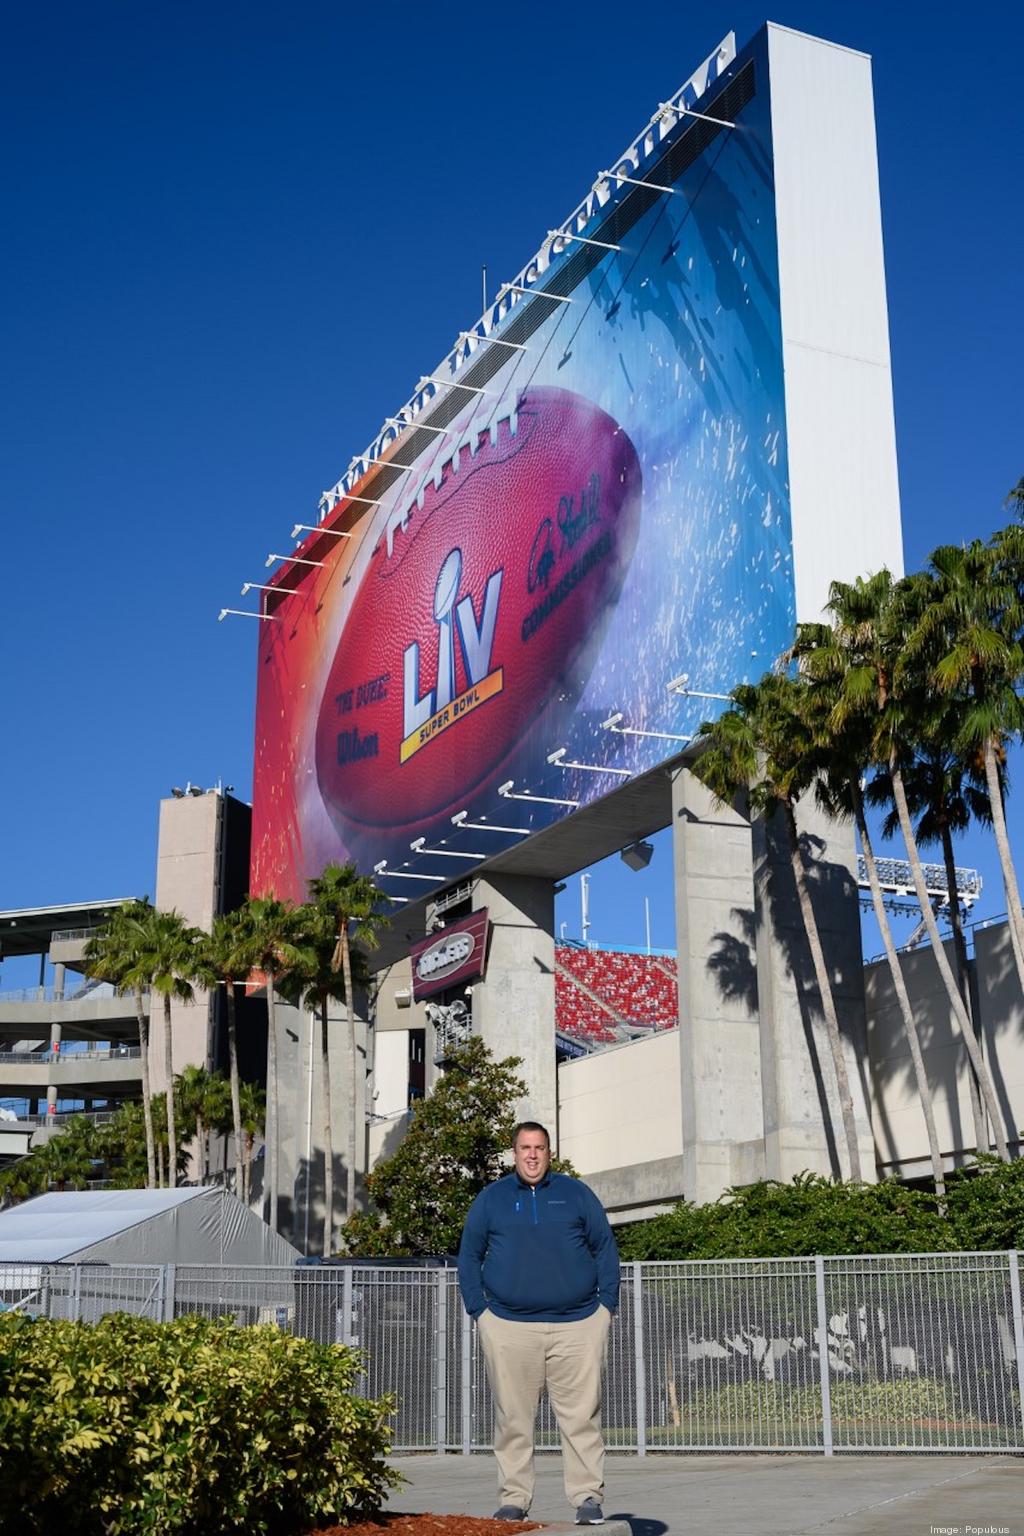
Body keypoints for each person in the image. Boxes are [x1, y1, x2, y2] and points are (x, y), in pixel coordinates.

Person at [457, 1120, 620, 1526]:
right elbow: (468, 1256)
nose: (532, 1155)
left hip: (579, 1325)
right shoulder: (491, 1200)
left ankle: (587, 1498)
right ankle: (514, 1499)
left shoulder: (576, 1194)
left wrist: (606, 1309)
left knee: (581, 1417)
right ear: (514, 1153)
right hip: (509, 1327)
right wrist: (480, 1311)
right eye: (525, 1148)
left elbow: (605, 1250)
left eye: (540, 1148)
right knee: (513, 1418)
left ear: (550, 1153)